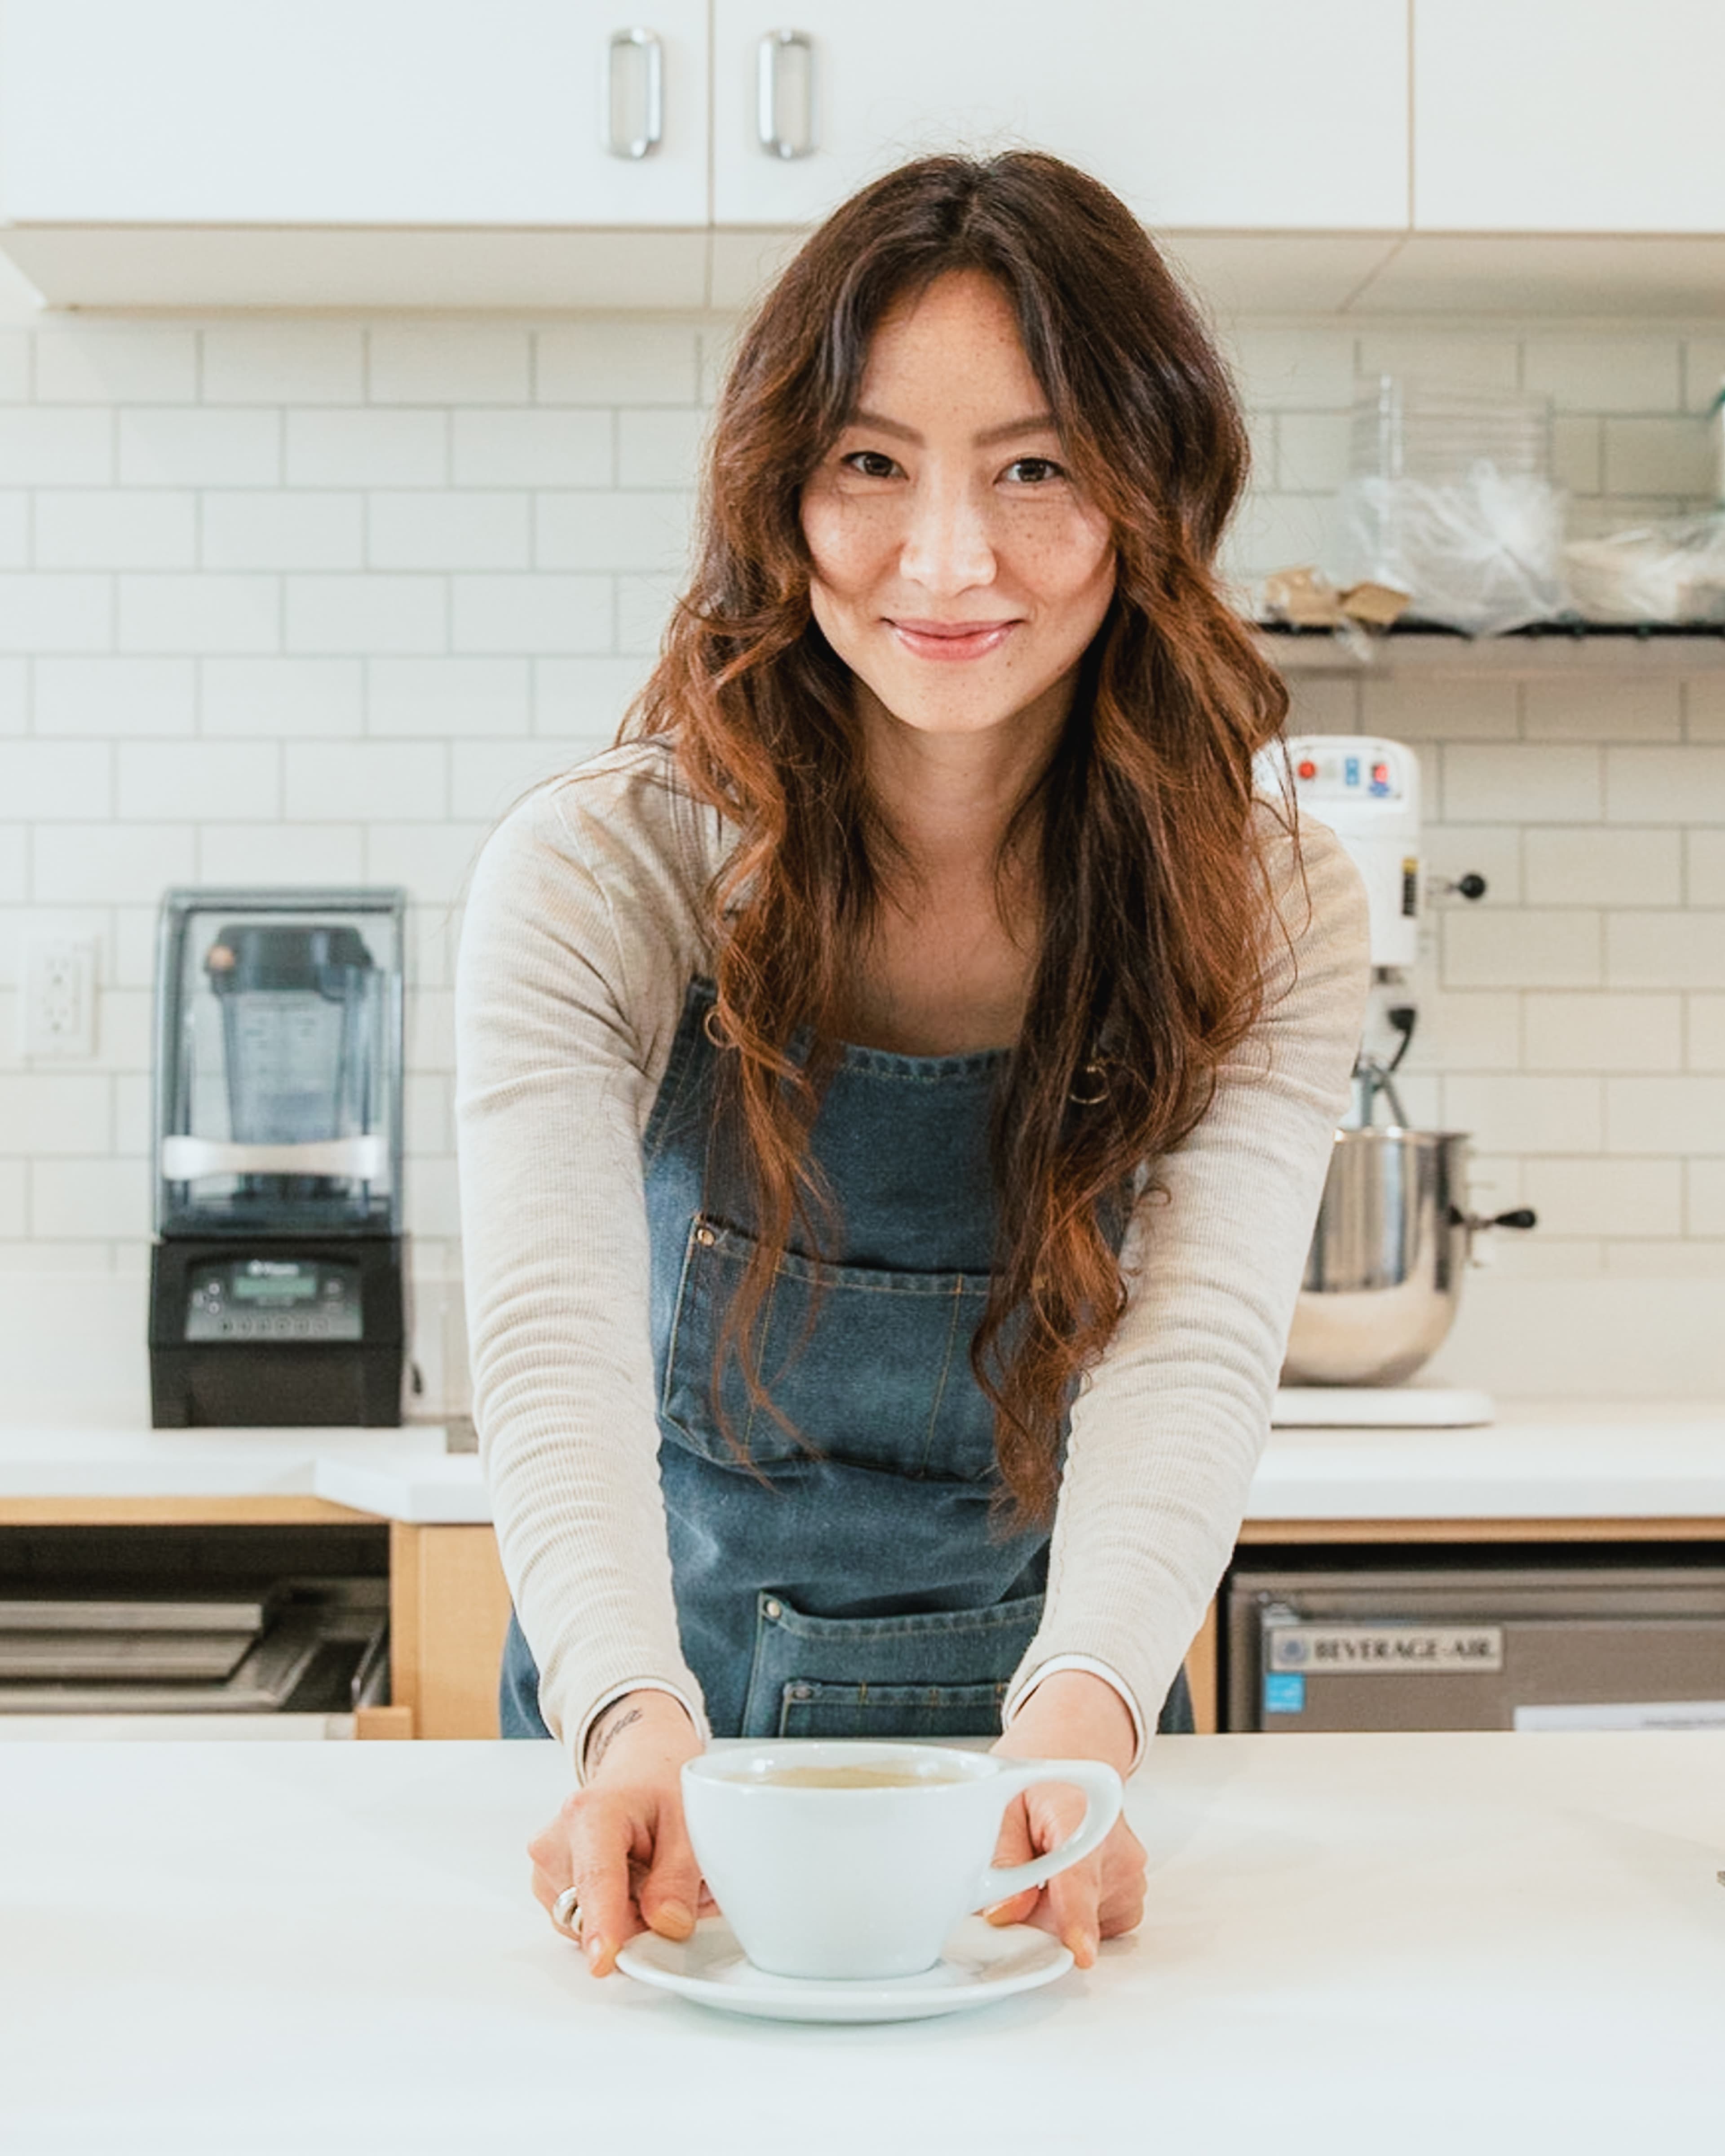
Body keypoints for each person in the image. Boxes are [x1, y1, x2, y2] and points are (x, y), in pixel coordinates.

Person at [454, 150, 1369, 1980]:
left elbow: (1184, 1351)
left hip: (1064, 1742)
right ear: (781, 490)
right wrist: (625, 1721)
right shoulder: (598, 872)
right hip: (661, 1734)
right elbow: (549, 1345)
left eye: (1034, 468)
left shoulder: (1269, 901)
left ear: (1145, 491)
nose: (947, 560)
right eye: (872, 465)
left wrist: (1089, 1716)